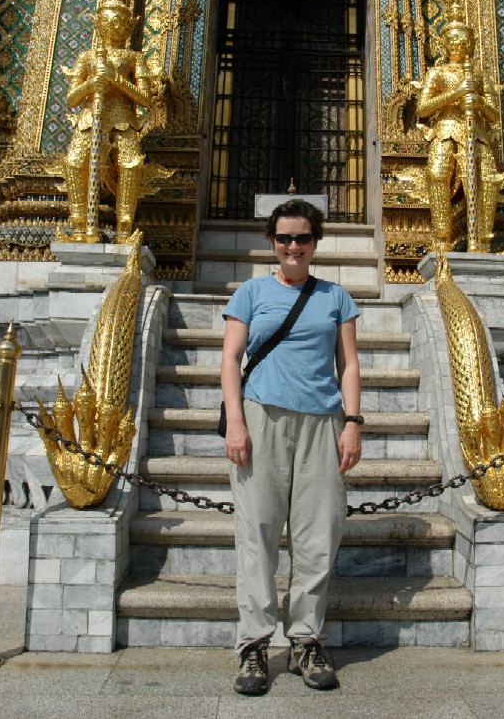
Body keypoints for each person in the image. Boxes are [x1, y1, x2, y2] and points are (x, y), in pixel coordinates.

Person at [220, 198, 362, 695]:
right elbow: (231, 361)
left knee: (317, 535)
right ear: (272, 243)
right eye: (284, 238)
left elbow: (348, 365)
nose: (293, 246)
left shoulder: (335, 297)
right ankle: (255, 645)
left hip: (322, 423)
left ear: (315, 242)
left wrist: (353, 422)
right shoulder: (251, 293)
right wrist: (235, 423)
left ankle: (305, 638)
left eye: (302, 237)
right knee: (257, 533)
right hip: (261, 420)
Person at [62, 0, 151, 242]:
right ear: (97, 22)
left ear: (130, 25)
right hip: (91, 119)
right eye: (109, 20)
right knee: (75, 161)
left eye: (121, 22)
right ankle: (79, 225)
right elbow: (71, 99)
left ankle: (124, 227)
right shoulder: (88, 57)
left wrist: (117, 80)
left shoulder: (134, 58)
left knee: (130, 165)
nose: (115, 26)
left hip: (123, 120)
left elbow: (146, 99)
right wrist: (91, 83)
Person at [416, 0, 504, 252]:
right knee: (437, 175)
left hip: (475, 133)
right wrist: (454, 95)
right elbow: (422, 108)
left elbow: (494, 116)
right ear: (444, 44)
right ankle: (443, 238)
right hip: (445, 130)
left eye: (464, 41)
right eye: (453, 40)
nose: (459, 45)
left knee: (487, 179)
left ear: (471, 44)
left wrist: (477, 101)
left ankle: (483, 240)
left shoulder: (477, 75)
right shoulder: (437, 73)